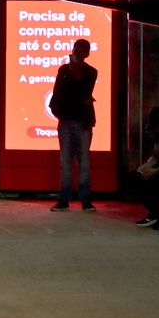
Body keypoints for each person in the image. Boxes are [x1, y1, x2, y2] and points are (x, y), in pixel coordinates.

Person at [49, 39, 99, 212]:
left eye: (84, 50)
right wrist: (58, 112)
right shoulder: (63, 70)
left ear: (87, 53)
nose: (80, 53)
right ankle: (64, 199)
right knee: (66, 161)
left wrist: (73, 69)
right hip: (66, 121)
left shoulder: (91, 72)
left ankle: (85, 200)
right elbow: (58, 93)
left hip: (83, 122)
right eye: (78, 49)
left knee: (83, 161)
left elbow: (83, 90)